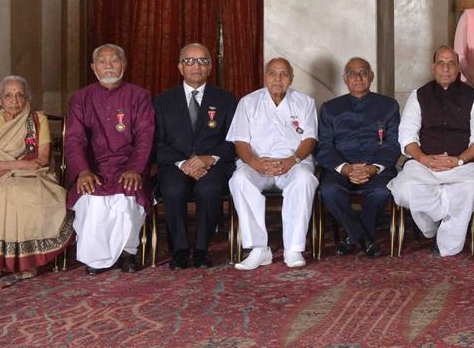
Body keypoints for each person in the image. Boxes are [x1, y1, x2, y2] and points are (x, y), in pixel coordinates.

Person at [387, 46, 474, 257]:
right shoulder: (418, 95)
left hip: (464, 165)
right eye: (441, 63)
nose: (446, 68)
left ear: (458, 68)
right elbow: (407, 137)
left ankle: (446, 242)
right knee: (406, 188)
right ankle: (433, 228)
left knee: (470, 190)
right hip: (425, 164)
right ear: (433, 67)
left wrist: (458, 161)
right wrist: (424, 159)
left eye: (451, 63)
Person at [0, 75, 72, 279]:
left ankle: (28, 261)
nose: (14, 100)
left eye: (19, 95)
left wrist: (7, 169)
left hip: (34, 175)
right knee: (2, 194)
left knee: (23, 192)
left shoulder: (37, 119)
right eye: (8, 95)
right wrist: (17, 166)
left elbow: (41, 159)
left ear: (27, 99)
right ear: (0, 100)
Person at [65, 44, 154, 274]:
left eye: (114, 61)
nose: (108, 66)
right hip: (94, 168)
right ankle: (95, 258)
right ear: (94, 67)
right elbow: (74, 140)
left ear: (123, 64)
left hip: (128, 166)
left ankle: (127, 253)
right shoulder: (80, 99)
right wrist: (82, 171)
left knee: (126, 199)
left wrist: (135, 168)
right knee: (92, 200)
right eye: (102, 62)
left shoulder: (140, 96)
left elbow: (145, 137)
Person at [228, 58, 319, 270]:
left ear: (291, 78)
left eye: (284, 74)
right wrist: (254, 162)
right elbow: (240, 140)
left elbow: (310, 139)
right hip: (257, 164)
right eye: (272, 73)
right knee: (239, 179)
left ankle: (293, 248)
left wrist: (292, 160)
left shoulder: (305, 101)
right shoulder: (248, 102)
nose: (278, 79)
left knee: (305, 179)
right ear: (265, 76)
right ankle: (259, 249)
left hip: (293, 162)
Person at [153, 43, 236, 269]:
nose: (196, 66)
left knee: (208, 189)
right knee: (173, 189)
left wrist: (209, 159)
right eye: (189, 61)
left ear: (210, 68)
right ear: (180, 67)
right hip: (175, 164)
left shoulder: (226, 100)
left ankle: (202, 248)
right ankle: (179, 249)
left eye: (202, 61)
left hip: (212, 165)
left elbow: (234, 142)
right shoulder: (162, 101)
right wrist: (183, 163)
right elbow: (156, 144)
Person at [316, 57, 400, 258]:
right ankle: (364, 239)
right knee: (329, 190)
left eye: (363, 72)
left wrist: (372, 168)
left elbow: (393, 144)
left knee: (380, 192)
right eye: (352, 74)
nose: (358, 77)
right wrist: (346, 169)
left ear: (371, 77)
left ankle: (352, 237)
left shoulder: (388, 105)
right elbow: (325, 147)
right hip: (341, 167)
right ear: (345, 79)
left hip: (377, 166)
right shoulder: (330, 108)